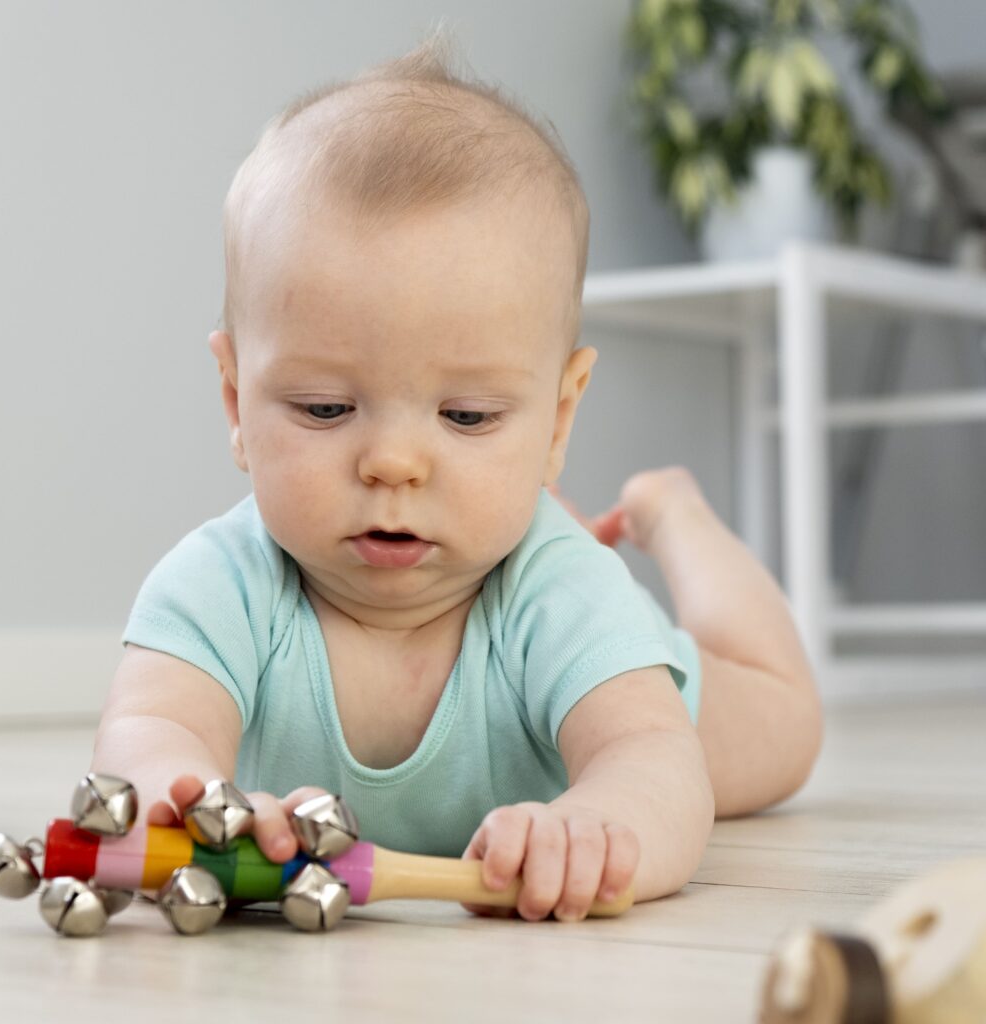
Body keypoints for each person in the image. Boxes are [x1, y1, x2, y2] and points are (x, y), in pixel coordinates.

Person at [91, 32, 820, 923]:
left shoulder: (560, 592)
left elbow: (657, 767)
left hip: (651, 682)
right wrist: (183, 796)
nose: (393, 463)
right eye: (324, 408)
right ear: (237, 400)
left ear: (558, 420)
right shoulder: (220, 587)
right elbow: (145, 733)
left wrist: (595, 821)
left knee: (784, 725)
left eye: (467, 417)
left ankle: (673, 511)